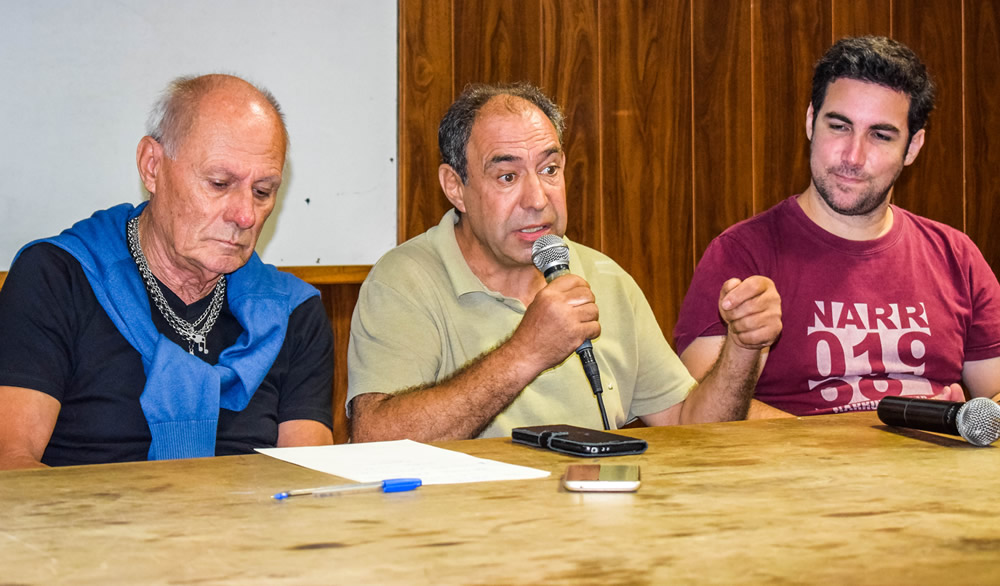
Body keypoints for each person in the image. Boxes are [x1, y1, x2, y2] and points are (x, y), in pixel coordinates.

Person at [347, 82, 782, 442]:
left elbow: (694, 432)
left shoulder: (606, 279)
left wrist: (742, 350)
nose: (537, 200)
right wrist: (526, 352)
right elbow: (374, 439)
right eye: (507, 176)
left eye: (550, 169)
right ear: (455, 187)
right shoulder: (404, 280)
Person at [0, 74, 334, 469]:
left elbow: (312, 484)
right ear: (152, 166)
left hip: (248, 527)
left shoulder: (292, 313)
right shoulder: (58, 279)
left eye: (263, 192)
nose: (245, 215)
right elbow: (11, 467)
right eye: (219, 182)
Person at [674, 36, 1000, 417]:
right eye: (840, 126)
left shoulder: (955, 255)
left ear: (912, 147)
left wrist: (967, 422)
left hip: (936, 470)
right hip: (800, 473)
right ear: (811, 121)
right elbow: (697, 422)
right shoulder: (740, 254)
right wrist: (744, 347)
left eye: (880, 135)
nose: (853, 156)